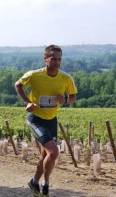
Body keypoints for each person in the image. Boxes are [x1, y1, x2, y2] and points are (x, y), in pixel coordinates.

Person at [14, 45, 77, 197]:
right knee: (54, 152)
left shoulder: (66, 78)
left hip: (51, 120)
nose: (57, 62)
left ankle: (34, 181)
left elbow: (74, 97)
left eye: (59, 59)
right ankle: (45, 184)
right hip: (36, 119)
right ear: (45, 59)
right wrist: (27, 102)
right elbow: (18, 84)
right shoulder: (35, 75)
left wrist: (66, 99)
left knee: (46, 157)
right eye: (53, 59)